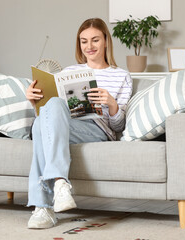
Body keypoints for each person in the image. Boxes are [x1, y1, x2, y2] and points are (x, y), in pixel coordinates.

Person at [25, 18, 132, 229]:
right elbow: (47, 114)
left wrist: (111, 104)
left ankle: (43, 207)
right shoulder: (68, 72)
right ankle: (59, 184)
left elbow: (118, 128)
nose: (89, 47)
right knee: (44, 117)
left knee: (38, 129)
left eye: (95, 40)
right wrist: (32, 100)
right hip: (68, 125)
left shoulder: (121, 76)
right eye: (84, 41)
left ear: (106, 41)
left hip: (98, 129)